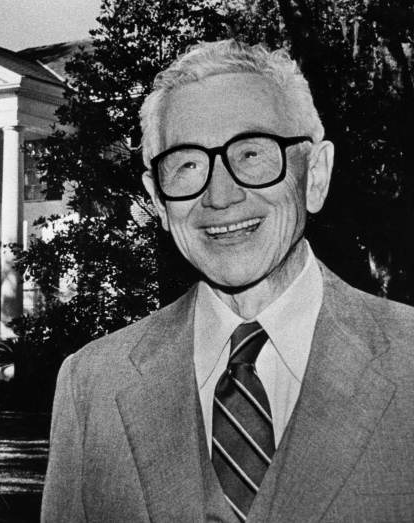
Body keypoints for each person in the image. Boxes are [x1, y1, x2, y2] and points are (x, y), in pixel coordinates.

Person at [40, 39, 414, 522]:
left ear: (315, 175)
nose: (219, 195)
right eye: (188, 164)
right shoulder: (91, 385)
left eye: (253, 153)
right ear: (157, 199)